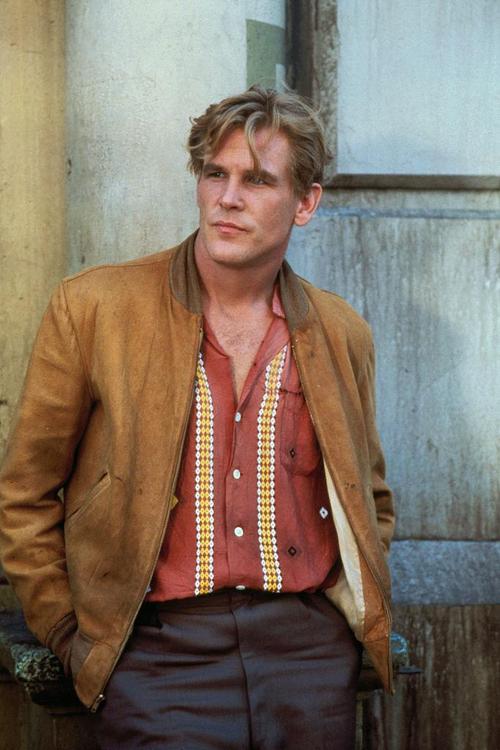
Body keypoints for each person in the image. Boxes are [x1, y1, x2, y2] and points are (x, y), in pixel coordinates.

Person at [0, 86, 395, 749]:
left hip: (307, 658)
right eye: (215, 173)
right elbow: (25, 494)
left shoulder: (339, 332)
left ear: (305, 203)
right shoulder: (95, 308)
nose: (227, 198)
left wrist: (343, 631)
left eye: (257, 180)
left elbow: (370, 498)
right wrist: (72, 636)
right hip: (155, 655)